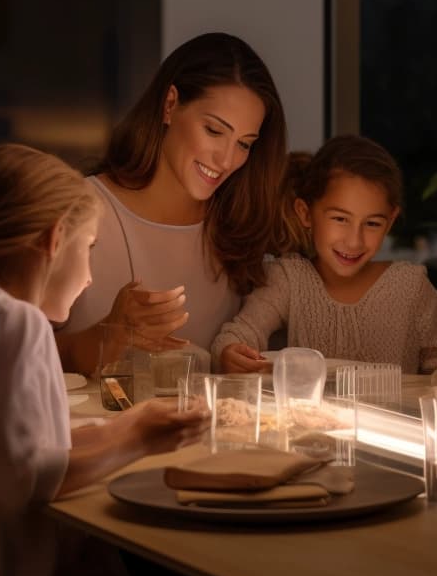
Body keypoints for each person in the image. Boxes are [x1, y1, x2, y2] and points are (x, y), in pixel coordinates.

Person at [0, 143, 317, 576]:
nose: (90, 269)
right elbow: (36, 479)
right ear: (53, 241)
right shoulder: (16, 325)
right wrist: (141, 436)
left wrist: (129, 425)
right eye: (89, 246)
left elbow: (12, 451)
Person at [56, 32, 288, 375]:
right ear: (170, 105)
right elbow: (15, 355)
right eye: (214, 130)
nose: (225, 160)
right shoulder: (77, 209)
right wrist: (110, 336)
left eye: (244, 144)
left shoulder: (238, 230)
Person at [211, 134, 437, 373]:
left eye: (372, 223)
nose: (354, 241)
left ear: (390, 220)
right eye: (340, 219)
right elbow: (240, 333)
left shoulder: (411, 287)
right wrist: (230, 353)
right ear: (306, 213)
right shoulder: (288, 279)